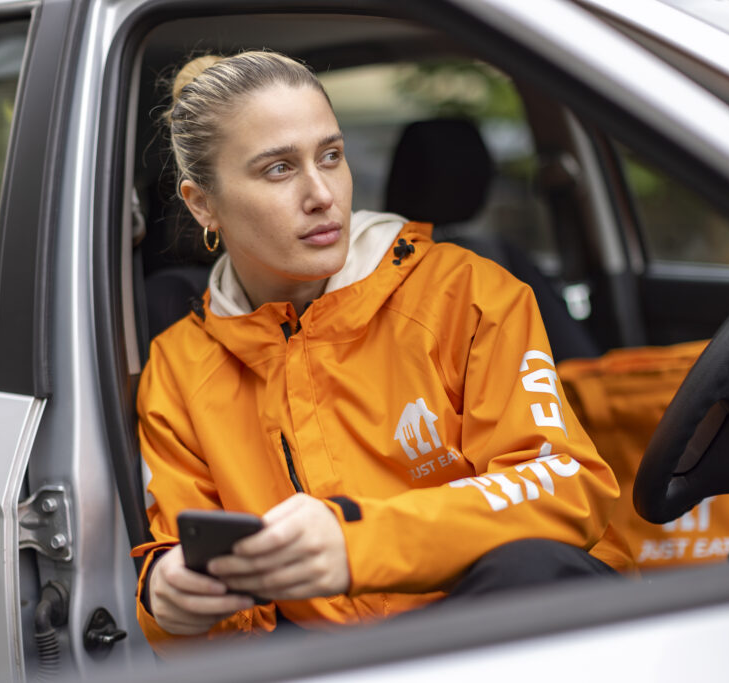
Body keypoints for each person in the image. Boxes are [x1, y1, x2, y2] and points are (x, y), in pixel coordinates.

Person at [132, 50, 628, 653]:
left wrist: (358, 543)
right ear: (202, 203)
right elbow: (196, 585)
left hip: (503, 638)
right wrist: (167, 597)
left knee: (535, 571)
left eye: (331, 157)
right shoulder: (179, 367)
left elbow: (565, 485)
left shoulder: (466, 292)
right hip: (328, 660)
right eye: (278, 169)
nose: (322, 195)